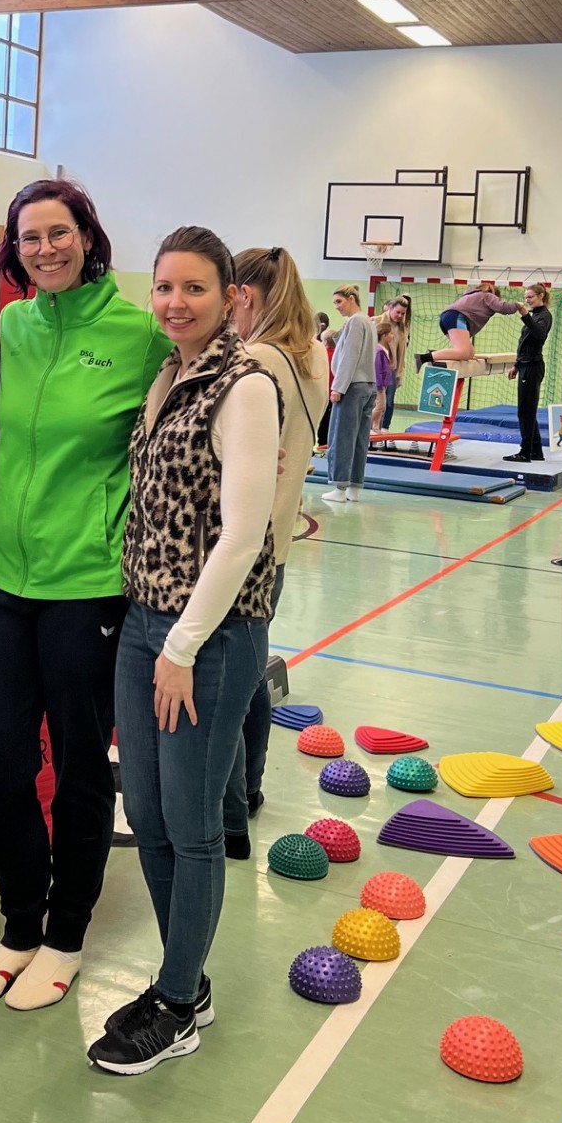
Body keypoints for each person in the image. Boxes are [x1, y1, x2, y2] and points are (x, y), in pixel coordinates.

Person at [0, 179, 170, 1012]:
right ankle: (20, 925)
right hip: (1, 576)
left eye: (58, 233)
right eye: (29, 237)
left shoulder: (138, 334)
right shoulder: (13, 326)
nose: (44, 249)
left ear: (87, 237)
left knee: (81, 764)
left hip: (87, 583)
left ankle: (66, 936)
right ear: (15, 250)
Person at [89, 227, 280, 1076]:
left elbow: (242, 535)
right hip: (145, 622)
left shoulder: (246, 385)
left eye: (195, 288)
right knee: (150, 813)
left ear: (230, 296)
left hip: (209, 633)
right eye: (164, 287)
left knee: (194, 825)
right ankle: (184, 982)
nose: (175, 303)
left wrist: (184, 645)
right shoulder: (170, 374)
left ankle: (174, 1004)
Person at [222, 246, 328, 857]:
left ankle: (232, 807)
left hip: (246, 542)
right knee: (251, 673)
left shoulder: (260, 358)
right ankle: (251, 788)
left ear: (245, 296)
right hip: (277, 541)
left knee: (229, 687)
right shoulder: (312, 355)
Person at [322, 284, 374, 503]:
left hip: (352, 386)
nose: (336, 307)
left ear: (352, 298)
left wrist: (338, 387)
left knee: (342, 437)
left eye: (339, 302)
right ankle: (354, 487)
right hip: (368, 385)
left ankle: (339, 487)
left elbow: (349, 356)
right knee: (360, 439)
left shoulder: (355, 321)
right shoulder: (367, 321)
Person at [415, 279, 521, 369]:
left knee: (469, 353)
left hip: (447, 318)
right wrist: (518, 305)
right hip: (456, 317)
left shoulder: (472, 295)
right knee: (463, 352)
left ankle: (436, 354)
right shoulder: (488, 296)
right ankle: (423, 357)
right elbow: (503, 308)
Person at [504, 282, 553, 462]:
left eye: (530, 297)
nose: (527, 300)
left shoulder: (544, 316)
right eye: (526, 298)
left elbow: (539, 335)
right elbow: (524, 344)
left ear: (541, 296)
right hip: (525, 365)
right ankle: (536, 451)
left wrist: (524, 314)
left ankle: (525, 452)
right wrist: (517, 365)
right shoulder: (535, 315)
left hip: (533, 366)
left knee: (526, 411)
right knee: (526, 410)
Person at [375, 295, 411, 429]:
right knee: (377, 402)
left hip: (392, 368)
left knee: (389, 402)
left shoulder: (402, 328)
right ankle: (373, 427)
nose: (400, 316)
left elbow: (402, 351)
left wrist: (400, 371)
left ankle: (385, 428)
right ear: (390, 308)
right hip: (377, 368)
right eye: (398, 312)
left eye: (403, 313)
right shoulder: (376, 321)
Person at [314, 312, 335, 450]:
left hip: (323, 391)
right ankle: (326, 442)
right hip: (334, 391)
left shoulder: (322, 354)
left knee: (321, 418)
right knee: (330, 418)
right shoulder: (338, 354)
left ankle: (322, 443)